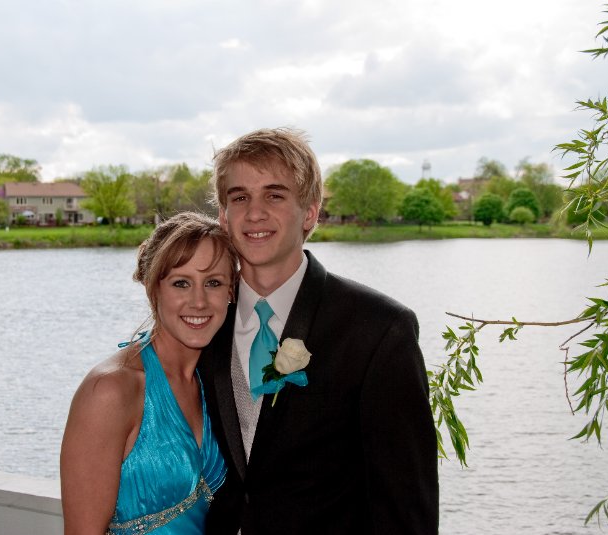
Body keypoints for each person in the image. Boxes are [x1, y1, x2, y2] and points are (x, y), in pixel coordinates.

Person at [198, 128, 439, 534]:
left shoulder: (379, 330)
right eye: (239, 197)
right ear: (223, 216)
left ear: (310, 212)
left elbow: (406, 504)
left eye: (274, 195)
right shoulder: (202, 322)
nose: (254, 212)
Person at [60, 211, 239, 535]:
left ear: (231, 292)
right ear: (152, 288)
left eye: (213, 282)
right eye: (181, 283)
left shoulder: (216, 380)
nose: (198, 301)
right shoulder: (110, 391)